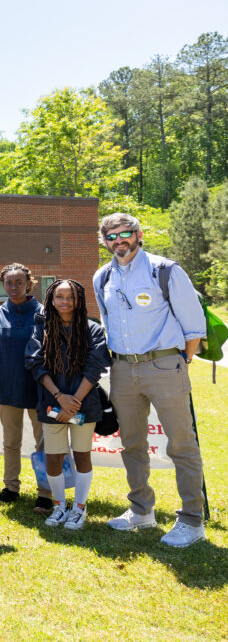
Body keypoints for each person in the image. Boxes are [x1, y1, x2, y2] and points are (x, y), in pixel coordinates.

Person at [94, 212, 208, 547]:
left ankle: (192, 520)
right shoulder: (102, 277)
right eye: (111, 236)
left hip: (164, 365)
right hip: (123, 370)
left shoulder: (165, 270)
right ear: (104, 242)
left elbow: (194, 326)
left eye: (125, 233)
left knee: (181, 445)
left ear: (138, 234)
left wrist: (180, 361)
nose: (119, 241)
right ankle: (141, 510)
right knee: (131, 443)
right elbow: (108, 325)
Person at [26, 280, 111, 530]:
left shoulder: (92, 329)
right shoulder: (41, 328)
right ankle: (60, 506)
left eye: (70, 297)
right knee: (53, 458)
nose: (65, 302)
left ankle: (79, 509)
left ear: (79, 300)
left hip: (84, 405)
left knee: (82, 455)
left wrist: (74, 401)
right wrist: (60, 397)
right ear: (51, 299)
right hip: (52, 404)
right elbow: (35, 364)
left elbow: (95, 367)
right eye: (60, 297)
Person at [0, 264, 52, 512]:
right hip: (9, 387)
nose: (14, 287)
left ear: (28, 284)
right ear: (3, 284)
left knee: (43, 443)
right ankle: (10, 488)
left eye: (19, 282)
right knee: (10, 442)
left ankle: (45, 492)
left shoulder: (44, 313)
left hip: (39, 389)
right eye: (9, 282)